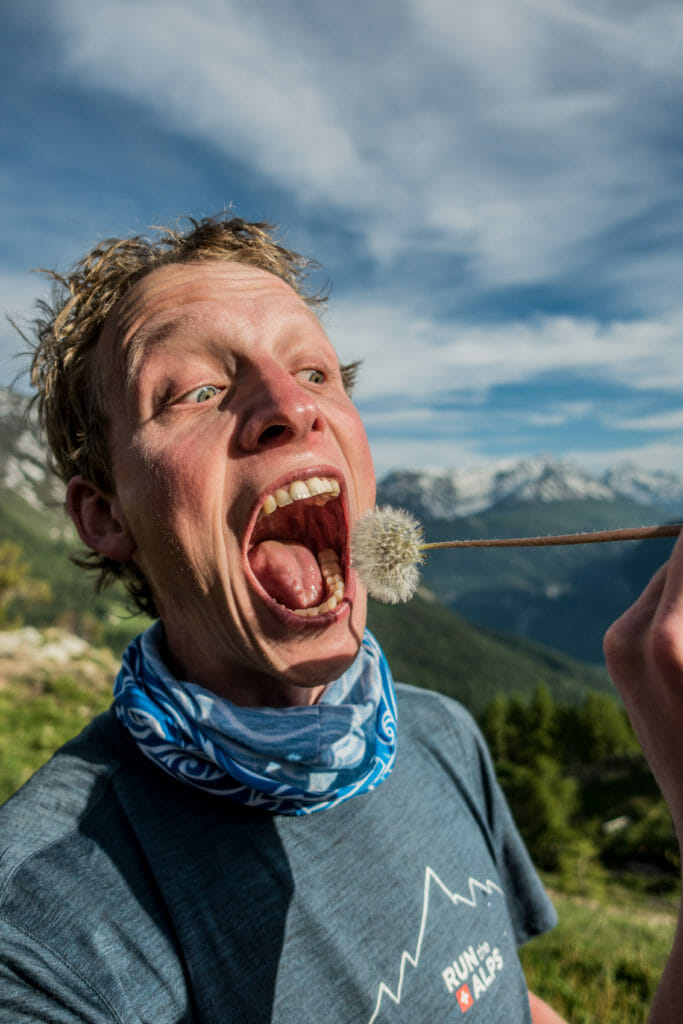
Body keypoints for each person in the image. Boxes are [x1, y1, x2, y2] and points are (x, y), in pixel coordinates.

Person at [0, 215, 677, 1023]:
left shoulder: (440, 734)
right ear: (105, 516)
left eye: (316, 373)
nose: (290, 404)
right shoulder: (41, 925)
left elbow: (504, 1000)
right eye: (196, 390)